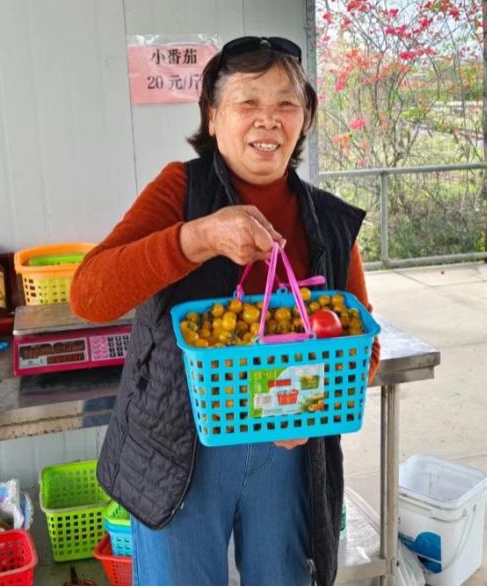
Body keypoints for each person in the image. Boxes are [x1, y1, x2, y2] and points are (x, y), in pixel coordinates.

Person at [70, 35, 380, 587]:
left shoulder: (328, 221)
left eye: (286, 103)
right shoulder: (181, 191)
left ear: (305, 118)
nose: (268, 120)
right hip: (179, 449)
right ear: (213, 117)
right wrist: (198, 238)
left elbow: (363, 347)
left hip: (286, 451)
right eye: (247, 102)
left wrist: (315, 412)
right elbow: (89, 294)